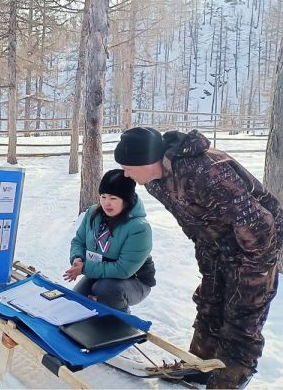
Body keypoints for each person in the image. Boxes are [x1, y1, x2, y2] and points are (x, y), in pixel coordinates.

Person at [114, 127, 283, 388]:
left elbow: (261, 225)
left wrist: (249, 274)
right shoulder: (154, 182)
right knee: (209, 304)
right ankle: (200, 365)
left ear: (146, 161)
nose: (126, 173)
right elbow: (191, 220)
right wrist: (208, 255)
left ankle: (230, 378)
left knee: (241, 317)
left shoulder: (204, 172)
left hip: (255, 247)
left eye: (128, 166)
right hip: (217, 244)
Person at [63, 169, 156, 313]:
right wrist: (78, 259)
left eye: (113, 198)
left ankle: (121, 326)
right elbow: (78, 241)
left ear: (126, 199)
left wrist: (85, 268)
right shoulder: (93, 214)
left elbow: (123, 269)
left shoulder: (139, 228)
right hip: (100, 273)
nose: (107, 203)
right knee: (76, 301)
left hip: (134, 280)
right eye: (103, 197)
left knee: (105, 289)